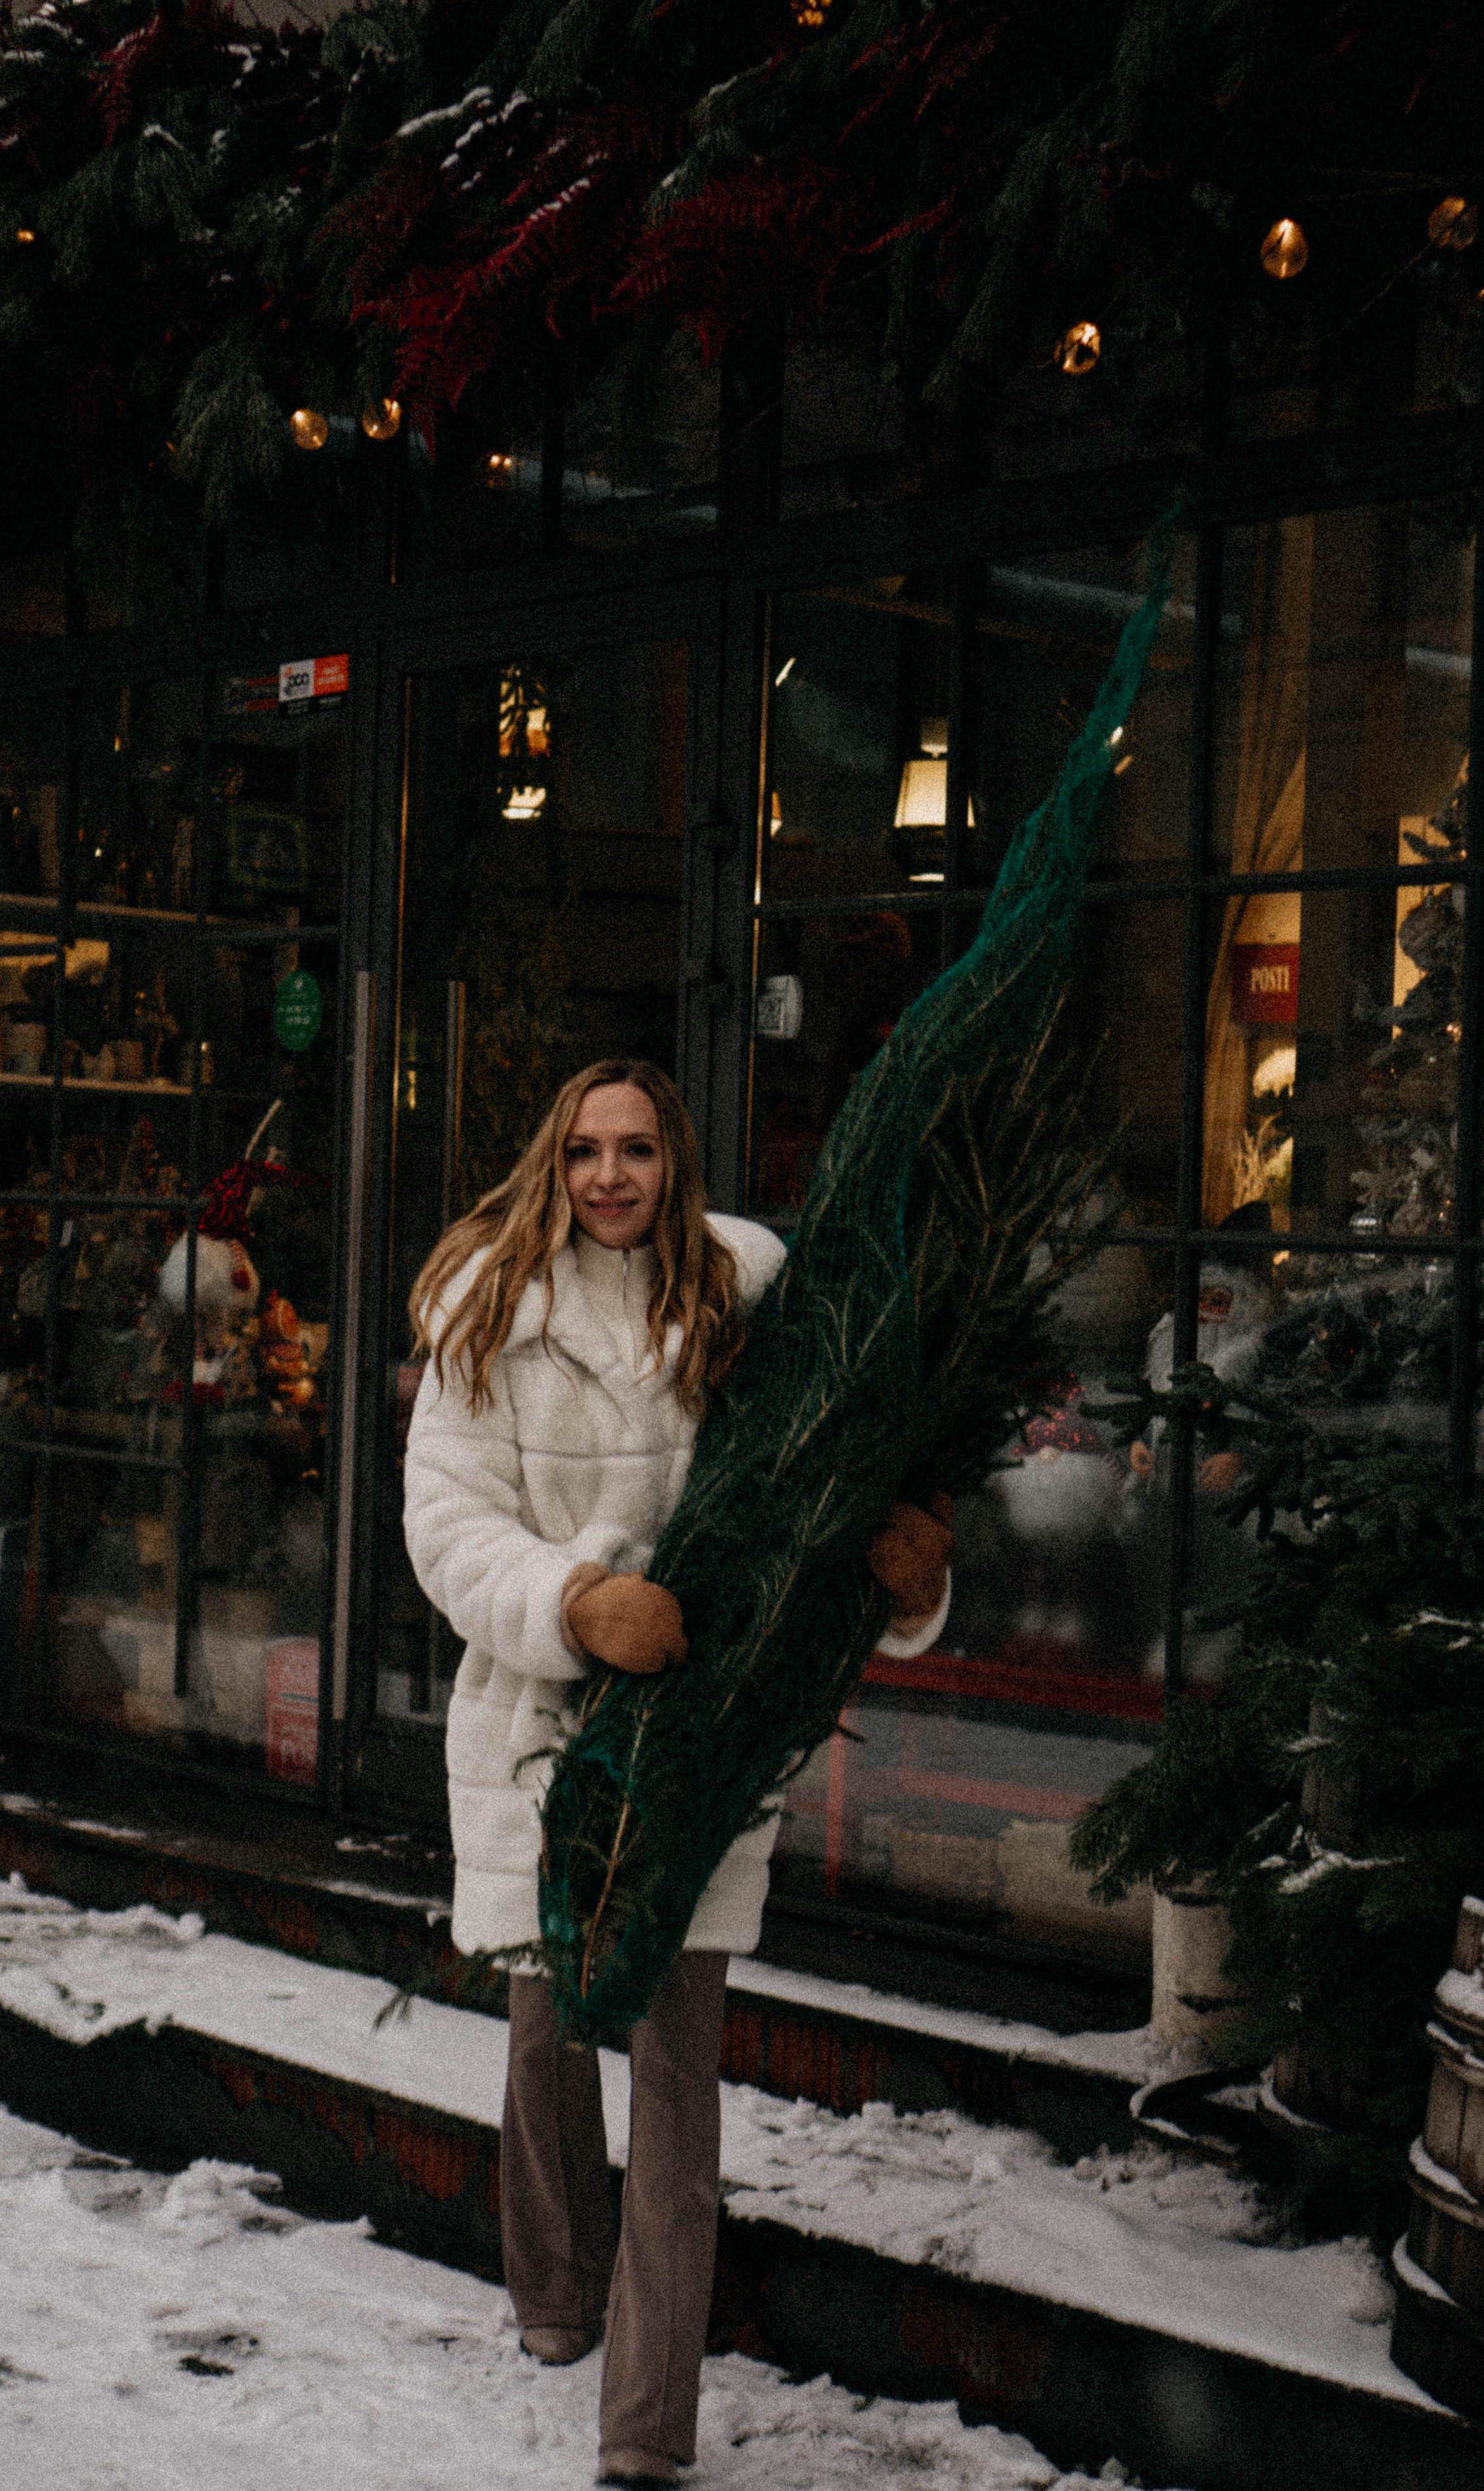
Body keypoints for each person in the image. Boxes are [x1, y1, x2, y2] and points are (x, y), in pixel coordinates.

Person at [402, 1059, 952, 2489]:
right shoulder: (489, 1313)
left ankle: (644, 2428)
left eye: (635, 1150)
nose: (607, 1178)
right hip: (543, 1723)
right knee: (543, 2042)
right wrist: (573, 1602)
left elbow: (821, 1498)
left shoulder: (744, 1303)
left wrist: (900, 1579)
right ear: (551, 1159)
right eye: (583, 1149)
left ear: (673, 1162)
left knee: (676, 2073)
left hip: (701, 1732)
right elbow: (445, 1524)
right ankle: (555, 2292)